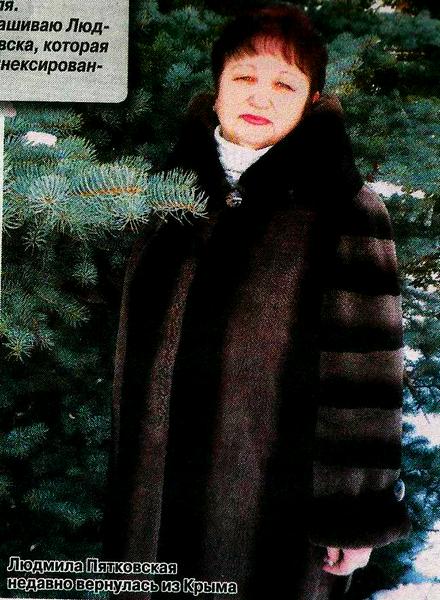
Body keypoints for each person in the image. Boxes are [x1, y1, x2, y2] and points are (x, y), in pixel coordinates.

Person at [105, 5, 411, 599]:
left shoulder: (344, 208)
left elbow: (368, 378)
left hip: (274, 523)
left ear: (311, 99)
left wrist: (354, 515)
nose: (260, 96)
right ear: (217, 84)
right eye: (244, 76)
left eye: (284, 84)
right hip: (149, 516)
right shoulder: (168, 195)